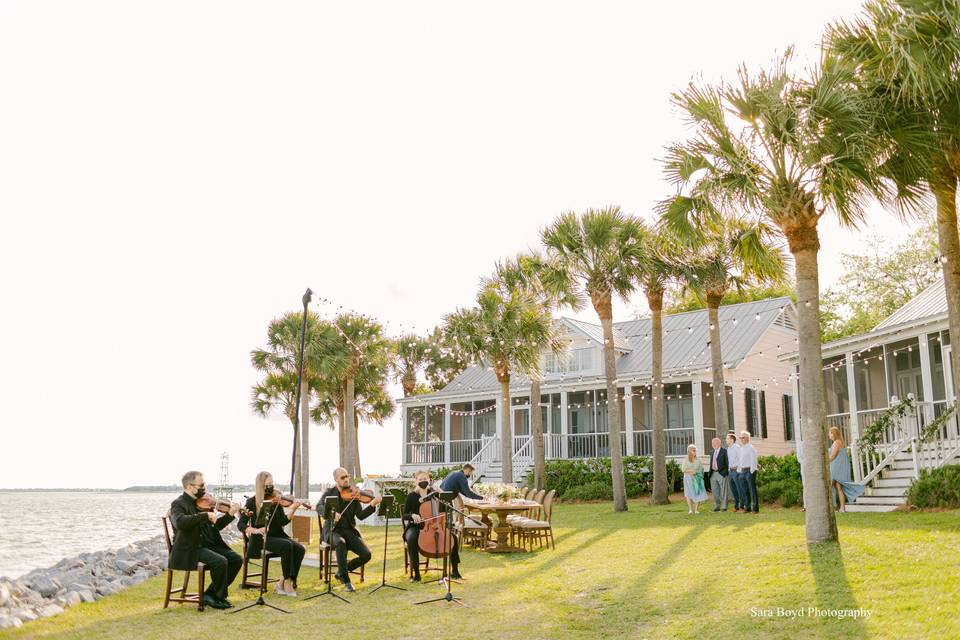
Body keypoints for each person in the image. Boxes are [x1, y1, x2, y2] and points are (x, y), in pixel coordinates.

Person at [168, 470, 241, 610]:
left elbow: (215, 526)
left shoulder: (202, 503)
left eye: (204, 484)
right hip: (190, 548)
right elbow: (180, 523)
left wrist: (230, 514)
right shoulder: (178, 504)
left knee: (236, 559)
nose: (204, 488)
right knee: (220, 561)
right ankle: (219, 597)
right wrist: (205, 515)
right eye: (201, 485)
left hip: (205, 545)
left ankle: (210, 594)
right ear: (190, 487)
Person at [237, 471, 307, 596]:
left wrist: (293, 509)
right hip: (260, 539)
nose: (271, 486)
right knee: (287, 545)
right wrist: (256, 530)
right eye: (268, 484)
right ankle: (287, 583)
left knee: (300, 548)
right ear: (261, 485)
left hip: (277, 536)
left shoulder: (275, 500)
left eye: (272, 483)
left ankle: (282, 581)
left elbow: (283, 521)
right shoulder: (252, 502)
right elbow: (241, 524)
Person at [319, 467, 382, 592]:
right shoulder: (329, 492)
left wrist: (372, 504)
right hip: (333, 530)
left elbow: (361, 515)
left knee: (366, 555)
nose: (346, 479)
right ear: (336, 479)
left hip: (349, 531)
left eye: (347, 476)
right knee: (340, 542)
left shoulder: (353, 494)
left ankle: (342, 571)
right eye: (343, 477)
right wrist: (331, 514)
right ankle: (346, 581)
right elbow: (319, 506)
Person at [402, 470, 462, 582]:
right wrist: (412, 515)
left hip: (435, 525)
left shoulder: (434, 494)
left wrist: (440, 492)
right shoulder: (412, 496)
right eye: (420, 479)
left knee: (452, 537)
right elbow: (405, 515)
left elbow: (447, 508)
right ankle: (416, 573)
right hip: (416, 526)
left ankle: (455, 570)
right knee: (411, 538)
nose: (423, 481)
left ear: (429, 480)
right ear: (416, 481)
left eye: (425, 479)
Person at [829, 427, 865, 512]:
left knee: (832, 487)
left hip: (836, 468)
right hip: (838, 467)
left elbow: (833, 456)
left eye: (830, 433)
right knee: (838, 488)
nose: (829, 435)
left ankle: (835, 507)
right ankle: (842, 508)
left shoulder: (836, 443)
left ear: (834, 433)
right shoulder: (840, 442)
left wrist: (823, 460)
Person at [736, 431, 759, 514]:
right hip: (742, 471)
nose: (741, 439)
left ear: (747, 438)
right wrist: (739, 471)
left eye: (743, 437)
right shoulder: (741, 448)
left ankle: (755, 509)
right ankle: (747, 508)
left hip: (750, 471)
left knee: (752, 490)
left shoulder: (751, 448)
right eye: (740, 438)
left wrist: (752, 471)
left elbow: (754, 460)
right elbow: (740, 461)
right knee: (744, 491)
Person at [682, 445, 708, 514]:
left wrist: (696, 472)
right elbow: (683, 469)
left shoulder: (698, 460)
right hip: (688, 478)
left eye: (695, 451)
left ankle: (696, 509)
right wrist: (691, 471)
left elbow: (701, 469)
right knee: (688, 493)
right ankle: (690, 509)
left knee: (697, 492)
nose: (695, 452)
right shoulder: (686, 460)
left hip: (697, 478)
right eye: (693, 450)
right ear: (689, 451)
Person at [708, 437, 729, 511]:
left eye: (715, 443)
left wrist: (725, 472)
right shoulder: (711, 452)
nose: (713, 444)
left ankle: (724, 506)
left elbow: (727, 463)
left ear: (719, 443)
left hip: (721, 473)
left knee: (724, 491)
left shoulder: (724, 451)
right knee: (715, 492)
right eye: (712, 443)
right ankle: (717, 506)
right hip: (713, 473)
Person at [725, 432, 743, 512]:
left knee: (739, 489)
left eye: (727, 439)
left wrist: (738, 469)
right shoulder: (728, 448)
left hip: (736, 471)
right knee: (733, 489)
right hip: (731, 471)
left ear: (732, 440)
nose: (726, 440)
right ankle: (736, 506)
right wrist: (729, 469)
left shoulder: (737, 447)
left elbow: (741, 458)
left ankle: (742, 506)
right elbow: (730, 461)